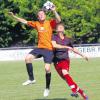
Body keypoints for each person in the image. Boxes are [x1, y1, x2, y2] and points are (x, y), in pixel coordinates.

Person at [8, 5, 61, 97]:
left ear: (45, 15)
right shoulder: (36, 23)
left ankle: (47, 88)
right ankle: (31, 79)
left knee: (47, 69)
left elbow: (59, 20)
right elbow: (24, 21)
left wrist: (54, 11)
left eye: (42, 14)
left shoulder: (50, 23)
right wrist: (13, 16)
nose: (41, 15)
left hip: (49, 49)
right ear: (38, 17)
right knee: (27, 58)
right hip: (40, 48)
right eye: (39, 14)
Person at [51, 23, 88, 100]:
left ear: (64, 30)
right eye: (58, 27)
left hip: (65, 59)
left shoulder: (68, 39)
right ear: (56, 30)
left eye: (62, 27)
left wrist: (83, 55)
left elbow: (73, 49)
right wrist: (66, 47)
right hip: (56, 61)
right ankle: (81, 92)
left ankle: (74, 91)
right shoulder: (54, 37)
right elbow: (54, 45)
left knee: (65, 73)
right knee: (67, 80)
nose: (60, 28)